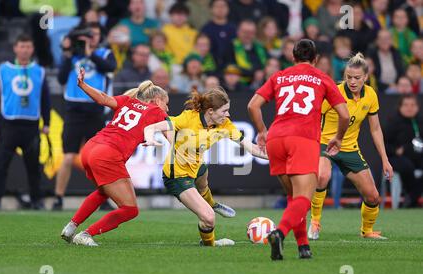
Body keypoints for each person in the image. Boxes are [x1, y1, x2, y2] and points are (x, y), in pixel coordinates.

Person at [247, 39, 349, 261]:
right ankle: (280, 233)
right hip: (303, 138)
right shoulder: (322, 78)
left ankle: (304, 247)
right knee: (304, 197)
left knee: (294, 197)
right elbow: (344, 115)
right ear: (316, 59)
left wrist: (262, 131)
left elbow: (252, 105)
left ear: (292, 58)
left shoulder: (279, 76)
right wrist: (339, 138)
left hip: (276, 138)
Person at [143, 87, 268, 247]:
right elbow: (151, 127)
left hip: (197, 166)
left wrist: (280, 159)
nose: (228, 115)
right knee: (208, 219)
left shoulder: (225, 125)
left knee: (203, 174)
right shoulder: (188, 118)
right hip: (177, 176)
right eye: (224, 111)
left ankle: (212, 204)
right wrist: (150, 139)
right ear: (210, 111)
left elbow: (252, 149)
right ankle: (209, 243)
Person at [61, 73, 169, 246]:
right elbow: (172, 132)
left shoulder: (128, 100)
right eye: (166, 103)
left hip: (90, 148)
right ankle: (86, 234)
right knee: (130, 209)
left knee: (104, 191)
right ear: (157, 100)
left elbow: (103, 98)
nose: (167, 109)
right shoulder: (156, 111)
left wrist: (83, 85)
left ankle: (71, 227)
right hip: (107, 154)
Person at [309, 53, 394, 241]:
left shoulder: (371, 95)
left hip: (349, 148)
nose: (352, 81)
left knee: (373, 197)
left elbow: (376, 129)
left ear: (365, 77)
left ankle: (367, 230)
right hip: (325, 143)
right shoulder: (333, 92)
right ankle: (315, 222)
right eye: (349, 77)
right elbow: (312, 118)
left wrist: (385, 160)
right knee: (323, 176)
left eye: (357, 78)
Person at [53, 22, 116, 210]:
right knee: (68, 156)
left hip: (95, 110)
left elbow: (109, 67)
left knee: (97, 158)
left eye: (95, 35)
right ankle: (58, 197)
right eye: (88, 36)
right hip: (74, 111)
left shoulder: (104, 54)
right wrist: (68, 53)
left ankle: (103, 197)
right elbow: (61, 78)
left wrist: (90, 54)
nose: (91, 38)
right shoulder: (73, 55)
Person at [0, 34, 51, 210]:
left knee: (34, 166)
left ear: (32, 49)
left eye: (28, 46)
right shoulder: (2, 70)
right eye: (21, 46)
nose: (25, 50)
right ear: (15, 48)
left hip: (31, 125)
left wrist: (47, 122)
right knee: (1, 164)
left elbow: (45, 99)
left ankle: (37, 199)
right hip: (8, 124)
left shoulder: (39, 71)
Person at [384, 94, 423, 208]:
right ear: (400, 107)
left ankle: (412, 197)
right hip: (397, 158)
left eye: (412, 105)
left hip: (418, 157)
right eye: (406, 105)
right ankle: (411, 198)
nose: (409, 108)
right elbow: (382, 145)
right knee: (407, 165)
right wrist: (396, 150)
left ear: (417, 107)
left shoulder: (420, 121)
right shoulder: (393, 122)